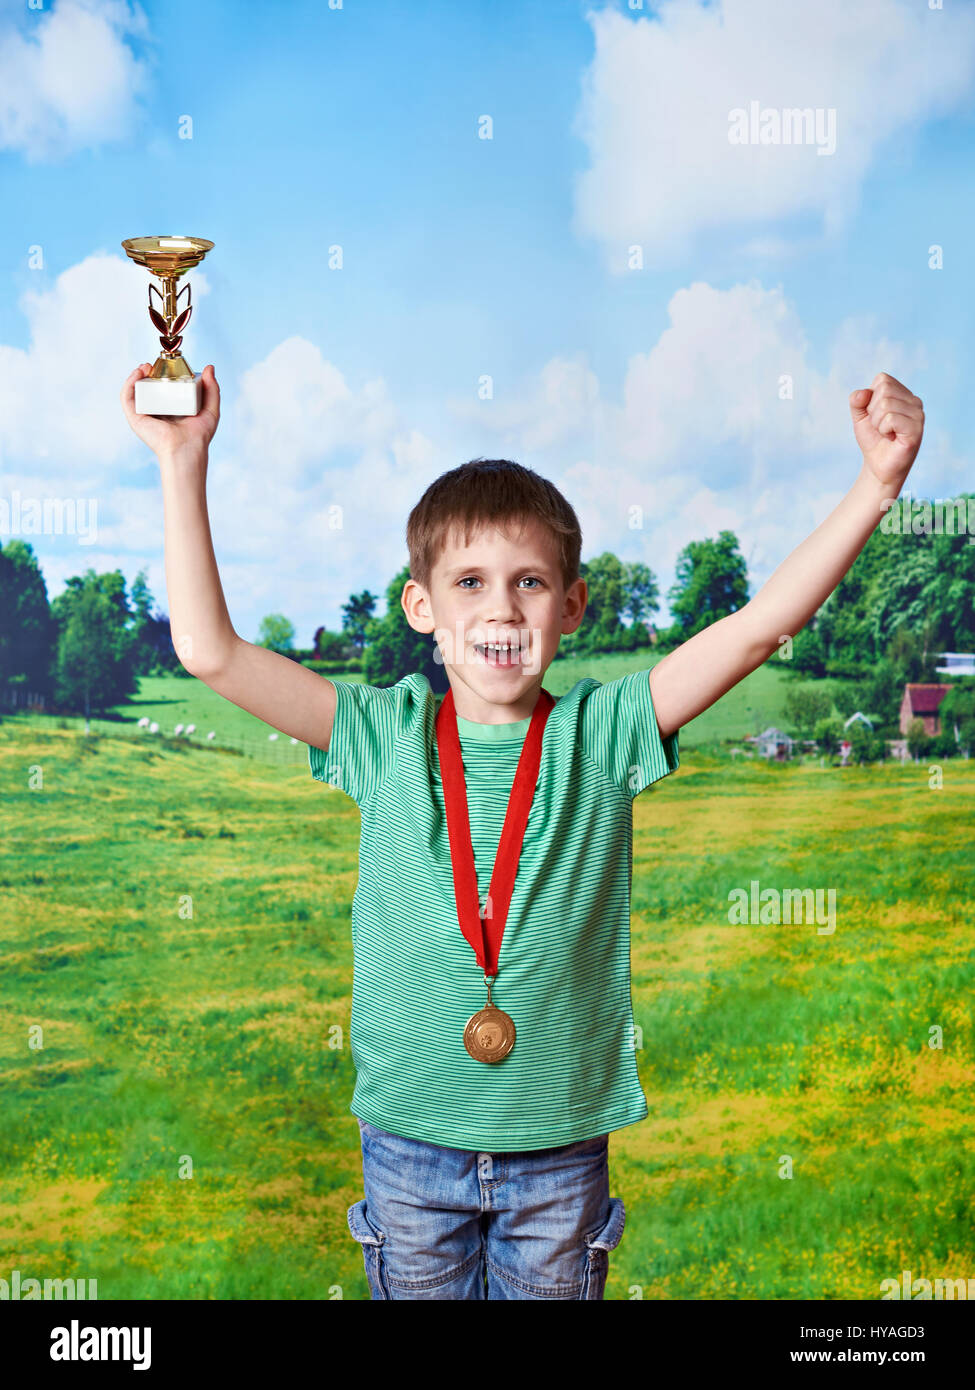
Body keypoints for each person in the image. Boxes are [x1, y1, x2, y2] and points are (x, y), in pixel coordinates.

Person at [121, 363, 924, 1299]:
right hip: (410, 1155)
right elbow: (208, 650)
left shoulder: (604, 731)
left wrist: (874, 486)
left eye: (530, 581)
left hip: (558, 1160)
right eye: (468, 582)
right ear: (421, 608)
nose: (500, 608)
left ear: (571, 607)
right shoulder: (380, 736)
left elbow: (754, 630)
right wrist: (182, 459)